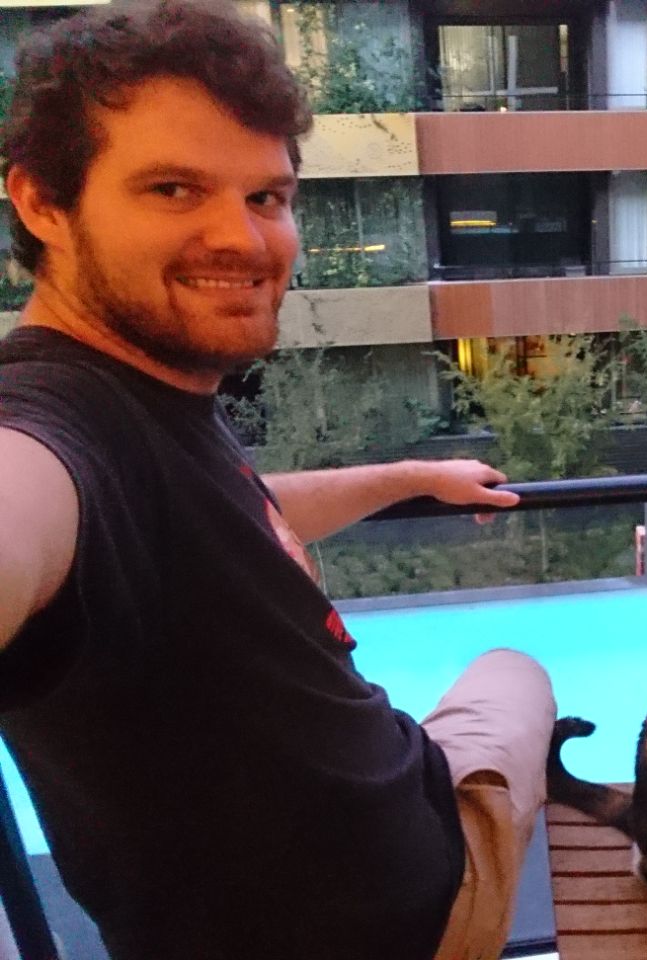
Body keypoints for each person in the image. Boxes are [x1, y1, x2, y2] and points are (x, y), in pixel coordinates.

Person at [0, 2, 555, 958]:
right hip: (421, 913)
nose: (244, 238)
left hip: (316, 870)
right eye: (174, 188)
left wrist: (416, 475)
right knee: (516, 672)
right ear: (43, 202)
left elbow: (233, 510)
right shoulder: (53, 423)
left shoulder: (145, 401)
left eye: (266, 197)